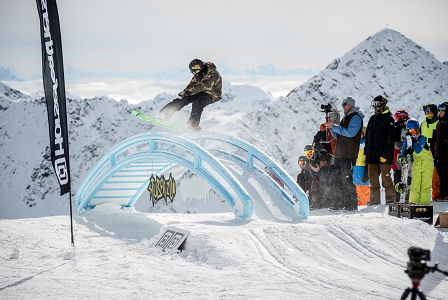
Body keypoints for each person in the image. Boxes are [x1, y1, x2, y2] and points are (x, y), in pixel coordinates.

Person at [158, 59, 222, 130]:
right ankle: (165, 113)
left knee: (198, 102)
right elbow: (191, 86)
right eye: (194, 70)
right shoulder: (197, 75)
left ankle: (193, 125)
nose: (196, 71)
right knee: (184, 98)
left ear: (202, 66)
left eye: (197, 68)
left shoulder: (212, 73)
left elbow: (205, 85)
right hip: (200, 91)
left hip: (212, 94)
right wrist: (185, 93)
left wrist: (189, 92)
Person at [326, 96, 363, 212]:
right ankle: (338, 203)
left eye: (345, 104)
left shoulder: (356, 117)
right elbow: (339, 136)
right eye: (342, 104)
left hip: (348, 153)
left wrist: (335, 127)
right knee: (337, 179)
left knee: (346, 179)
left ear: (351, 105)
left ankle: (352, 204)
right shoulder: (346, 117)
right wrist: (332, 128)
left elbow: (350, 133)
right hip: (339, 154)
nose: (343, 106)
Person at [364, 95, 395, 205]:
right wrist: (366, 154)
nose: (376, 106)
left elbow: (390, 139)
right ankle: (374, 201)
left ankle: (391, 199)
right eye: (374, 103)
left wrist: (385, 155)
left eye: (378, 103)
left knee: (386, 180)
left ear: (383, 104)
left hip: (383, 157)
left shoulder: (389, 119)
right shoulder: (372, 118)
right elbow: (367, 137)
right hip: (372, 156)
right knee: (373, 181)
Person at [398, 119, 433, 205]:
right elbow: (403, 151)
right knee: (415, 184)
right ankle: (413, 203)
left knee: (425, 185)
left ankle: (424, 204)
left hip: (427, 163)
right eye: (411, 131)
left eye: (415, 130)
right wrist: (402, 156)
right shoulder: (407, 140)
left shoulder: (422, 138)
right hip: (417, 163)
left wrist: (412, 144)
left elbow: (417, 150)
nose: (414, 133)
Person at [420, 104, 440, 201]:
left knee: (436, 179)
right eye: (426, 112)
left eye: (430, 111)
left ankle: (436, 197)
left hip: (436, 154)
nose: (428, 114)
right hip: (425, 155)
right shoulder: (423, 124)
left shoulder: (438, 123)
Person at [391, 110, 410, 202]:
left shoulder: (399, 127)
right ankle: (399, 197)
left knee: (401, 178)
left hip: (399, 156)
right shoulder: (397, 128)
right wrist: (405, 145)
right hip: (398, 156)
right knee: (400, 178)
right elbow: (396, 144)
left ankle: (400, 197)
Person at [431, 102, 448, 201]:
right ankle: (442, 194)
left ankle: (446, 194)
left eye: (442, 111)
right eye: (439, 111)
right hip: (438, 155)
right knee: (441, 177)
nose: (440, 112)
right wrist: (433, 151)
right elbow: (435, 139)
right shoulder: (440, 123)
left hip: (446, 155)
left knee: (446, 176)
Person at [352, 126, 370, 206]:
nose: (360, 135)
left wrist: (367, 173)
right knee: (356, 191)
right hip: (355, 171)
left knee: (364, 191)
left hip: (363, 171)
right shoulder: (354, 143)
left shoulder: (366, 144)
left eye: (361, 133)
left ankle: (364, 205)